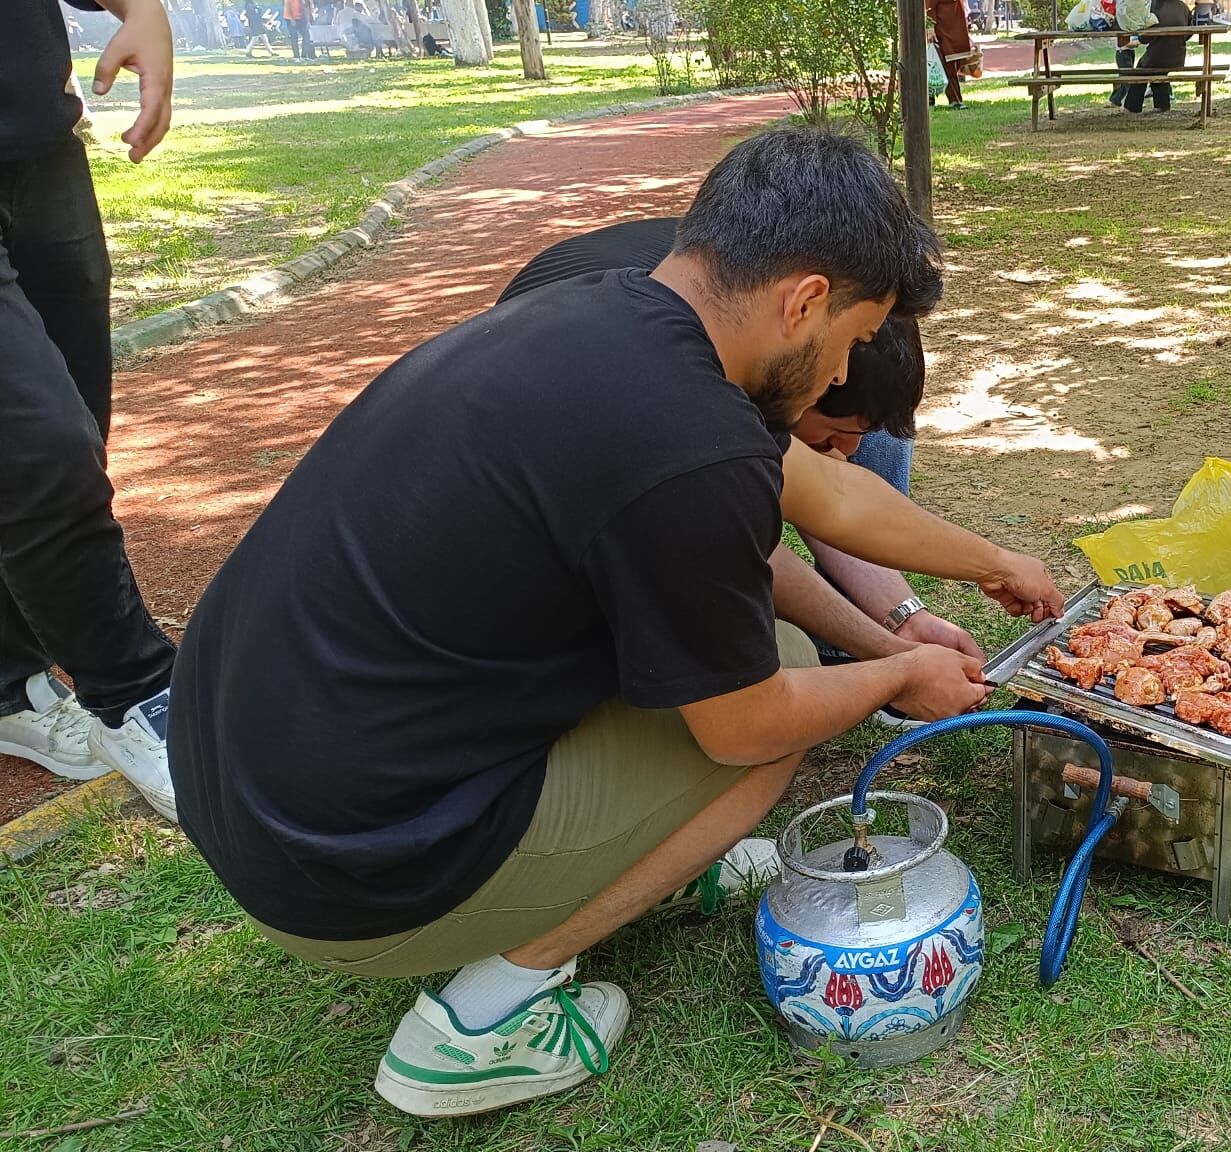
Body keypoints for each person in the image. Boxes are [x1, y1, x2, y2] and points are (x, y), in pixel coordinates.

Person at [168, 128, 1063, 1118]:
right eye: (855, 340)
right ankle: (478, 1026)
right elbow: (746, 724)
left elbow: (826, 502)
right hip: (343, 873)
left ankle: (634, 857)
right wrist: (894, 679)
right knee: (775, 710)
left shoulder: (610, 313)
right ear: (805, 300)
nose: (844, 369)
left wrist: (991, 570)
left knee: (759, 652)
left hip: (245, 783)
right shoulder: (691, 439)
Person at [496, 219, 978, 671]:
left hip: (593, 333)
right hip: (548, 504)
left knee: (879, 438)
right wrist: (889, 656)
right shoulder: (692, 395)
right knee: (782, 652)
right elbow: (750, 548)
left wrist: (904, 618)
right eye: (834, 434)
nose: (845, 453)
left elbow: (831, 491)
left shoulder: (759, 305)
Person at [0, 0, 180, 821]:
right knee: (41, 446)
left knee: (73, 420)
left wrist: (142, 9)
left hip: (41, 143)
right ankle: (139, 695)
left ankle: (10, 686)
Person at [1120, 0, 1190, 115]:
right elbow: (1189, 30)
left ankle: (1132, 107)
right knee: (1158, 71)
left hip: (1158, 55)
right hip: (1178, 55)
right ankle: (1162, 105)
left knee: (1141, 71)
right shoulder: (1183, 7)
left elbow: (1148, 32)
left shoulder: (1156, 5)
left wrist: (1140, 39)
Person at [928, 0, 971, 109]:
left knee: (954, 62)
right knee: (947, 64)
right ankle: (954, 99)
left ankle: (931, 96)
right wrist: (930, 28)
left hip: (956, 26)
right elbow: (929, 7)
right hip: (942, 29)